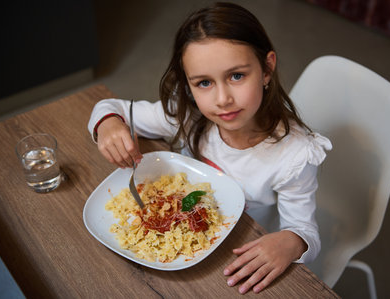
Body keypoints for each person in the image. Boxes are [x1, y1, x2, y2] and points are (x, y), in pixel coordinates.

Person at [88, 2, 331, 294]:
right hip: (182, 235)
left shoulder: (296, 155)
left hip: (243, 242)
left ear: (267, 69)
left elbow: (307, 233)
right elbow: (109, 107)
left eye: (237, 76)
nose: (222, 99)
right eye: (204, 82)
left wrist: (292, 241)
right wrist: (109, 124)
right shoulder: (186, 114)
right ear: (189, 87)